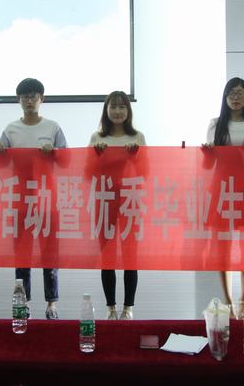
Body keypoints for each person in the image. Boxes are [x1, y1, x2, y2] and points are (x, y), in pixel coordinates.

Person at [0, 78, 66, 319]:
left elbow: (67, 160)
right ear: (19, 100)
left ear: (41, 99)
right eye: (25, 96)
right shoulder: (11, 129)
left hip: (47, 199)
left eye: (33, 95)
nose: (29, 100)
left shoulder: (53, 127)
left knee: (49, 253)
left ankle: (52, 304)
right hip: (20, 199)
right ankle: (23, 303)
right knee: (22, 254)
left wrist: (54, 153)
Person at [204, 77, 244, 318]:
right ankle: (228, 300)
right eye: (231, 93)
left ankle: (243, 298)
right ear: (225, 97)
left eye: (240, 93)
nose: (236, 98)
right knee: (223, 246)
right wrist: (207, 153)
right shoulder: (215, 124)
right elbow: (208, 164)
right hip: (222, 186)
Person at [89, 91, 146, 321]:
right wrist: (97, 155)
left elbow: (146, 172)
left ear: (128, 111)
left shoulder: (138, 137)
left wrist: (135, 156)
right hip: (105, 199)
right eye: (113, 106)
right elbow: (87, 173)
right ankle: (111, 307)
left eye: (122, 107)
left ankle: (128, 308)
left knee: (130, 255)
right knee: (108, 256)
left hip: (130, 200)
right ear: (106, 110)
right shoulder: (97, 137)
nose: (117, 111)